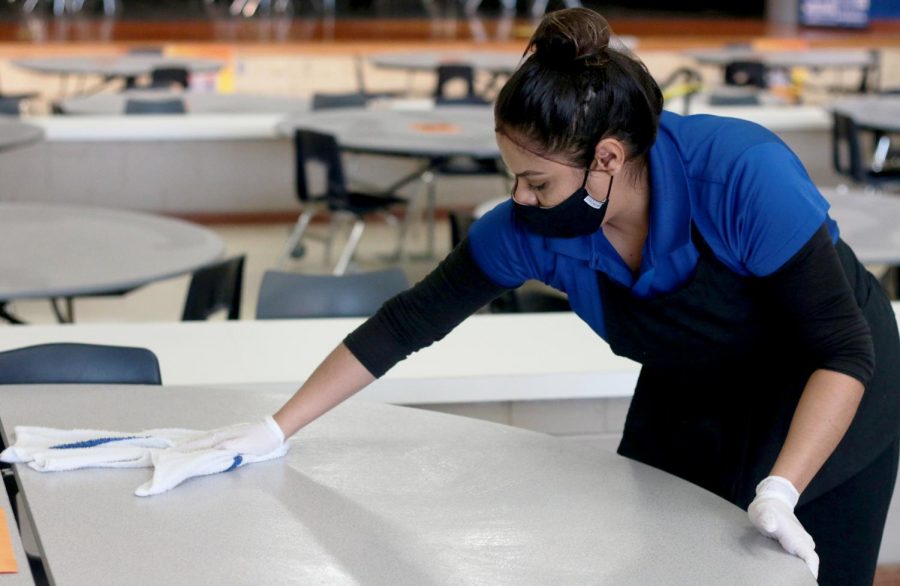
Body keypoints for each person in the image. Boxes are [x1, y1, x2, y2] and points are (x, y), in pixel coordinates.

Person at [189, 9, 900, 585]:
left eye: (537, 182)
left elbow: (841, 348)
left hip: (829, 385)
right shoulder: (530, 231)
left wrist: (781, 487)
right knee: (661, 565)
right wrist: (274, 430)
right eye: (515, 178)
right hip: (692, 389)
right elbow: (408, 322)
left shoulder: (742, 176)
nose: (519, 199)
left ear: (608, 159)